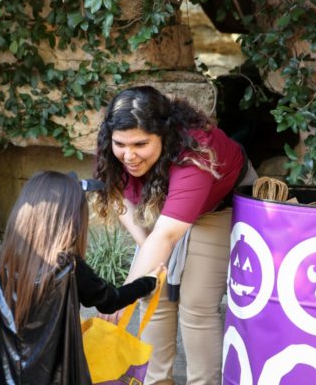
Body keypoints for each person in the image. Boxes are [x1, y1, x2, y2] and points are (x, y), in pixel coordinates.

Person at [93, 86, 257, 384]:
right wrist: (146, 247)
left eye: (140, 144)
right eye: (121, 144)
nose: (128, 155)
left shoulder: (193, 154)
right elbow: (119, 195)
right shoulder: (116, 143)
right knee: (153, 293)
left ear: (164, 135)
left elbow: (167, 236)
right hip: (165, 199)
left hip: (218, 204)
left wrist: (122, 295)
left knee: (196, 304)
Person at [0, 171, 162, 384]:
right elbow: (110, 301)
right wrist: (148, 281)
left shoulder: (2, 262)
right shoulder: (69, 267)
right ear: (70, 218)